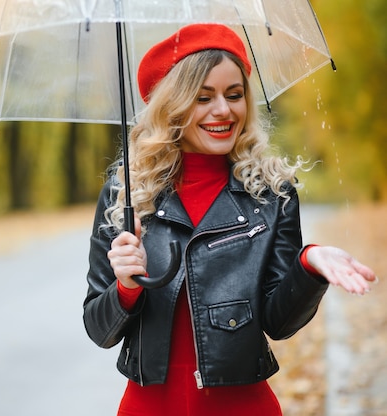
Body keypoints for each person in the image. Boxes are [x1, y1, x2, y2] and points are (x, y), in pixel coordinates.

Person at [82, 23, 377, 415]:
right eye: (203, 97)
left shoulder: (272, 193)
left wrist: (308, 266)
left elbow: (278, 321)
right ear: (172, 105)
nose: (224, 110)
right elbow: (99, 329)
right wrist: (125, 287)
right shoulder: (126, 197)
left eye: (234, 94)